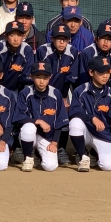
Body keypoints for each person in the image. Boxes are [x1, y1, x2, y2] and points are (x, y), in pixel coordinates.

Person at [69, 56, 111, 172]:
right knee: (75, 122)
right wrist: (92, 118)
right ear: (91, 72)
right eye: (101, 72)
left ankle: (94, 154)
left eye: (108, 72)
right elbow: (74, 112)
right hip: (85, 131)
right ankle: (83, 157)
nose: (105, 76)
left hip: (103, 134)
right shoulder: (80, 91)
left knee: (108, 166)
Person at [36, 23, 79, 165]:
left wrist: (65, 97)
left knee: (64, 120)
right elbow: (37, 74)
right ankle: (37, 151)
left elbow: (72, 77)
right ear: (52, 39)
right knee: (42, 118)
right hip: (43, 92)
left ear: (69, 40)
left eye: (65, 39)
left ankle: (61, 149)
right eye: (58, 38)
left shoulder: (72, 52)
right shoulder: (43, 50)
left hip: (62, 93)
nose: (61, 42)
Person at [13, 62, 69, 172]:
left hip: (47, 137)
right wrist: (38, 121)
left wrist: (54, 142)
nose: (42, 81)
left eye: (45, 77)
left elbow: (60, 120)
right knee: (28, 127)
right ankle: (28, 158)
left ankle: (38, 154)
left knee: (50, 166)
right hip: (28, 134)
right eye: (38, 77)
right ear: (31, 77)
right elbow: (19, 117)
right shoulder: (25, 93)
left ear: (50, 77)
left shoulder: (55, 93)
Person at [74, 23, 111, 87]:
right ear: (96, 39)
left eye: (109, 39)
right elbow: (83, 79)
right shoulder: (87, 53)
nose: (106, 42)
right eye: (103, 38)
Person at [0, 21, 35, 94]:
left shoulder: (27, 50)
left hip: (17, 89)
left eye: (19, 35)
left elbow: (27, 76)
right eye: (12, 35)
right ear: (6, 36)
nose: (16, 39)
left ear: (23, 36)